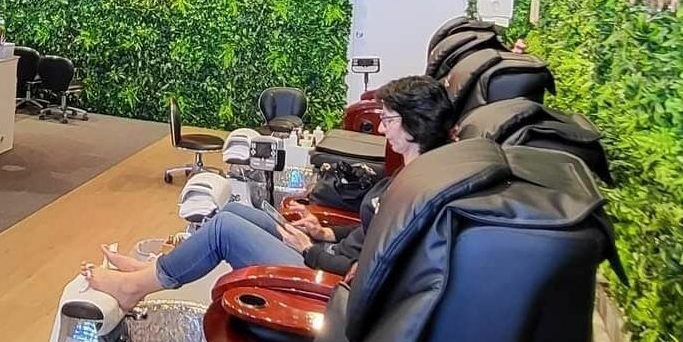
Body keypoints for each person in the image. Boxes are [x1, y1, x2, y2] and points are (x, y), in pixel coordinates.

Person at [89, 75, 456, 313]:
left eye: (389, 119)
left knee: (223, 231)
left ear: (413, 126)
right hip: (329, 252)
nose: (380, 126)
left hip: (327, 280)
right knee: (238, 213)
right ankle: (153, 270)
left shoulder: (417, 191)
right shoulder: (411, 174)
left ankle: (134, 287)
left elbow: (371, 266)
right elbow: (371, 230)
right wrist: (324, 232)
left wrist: (310, 250)